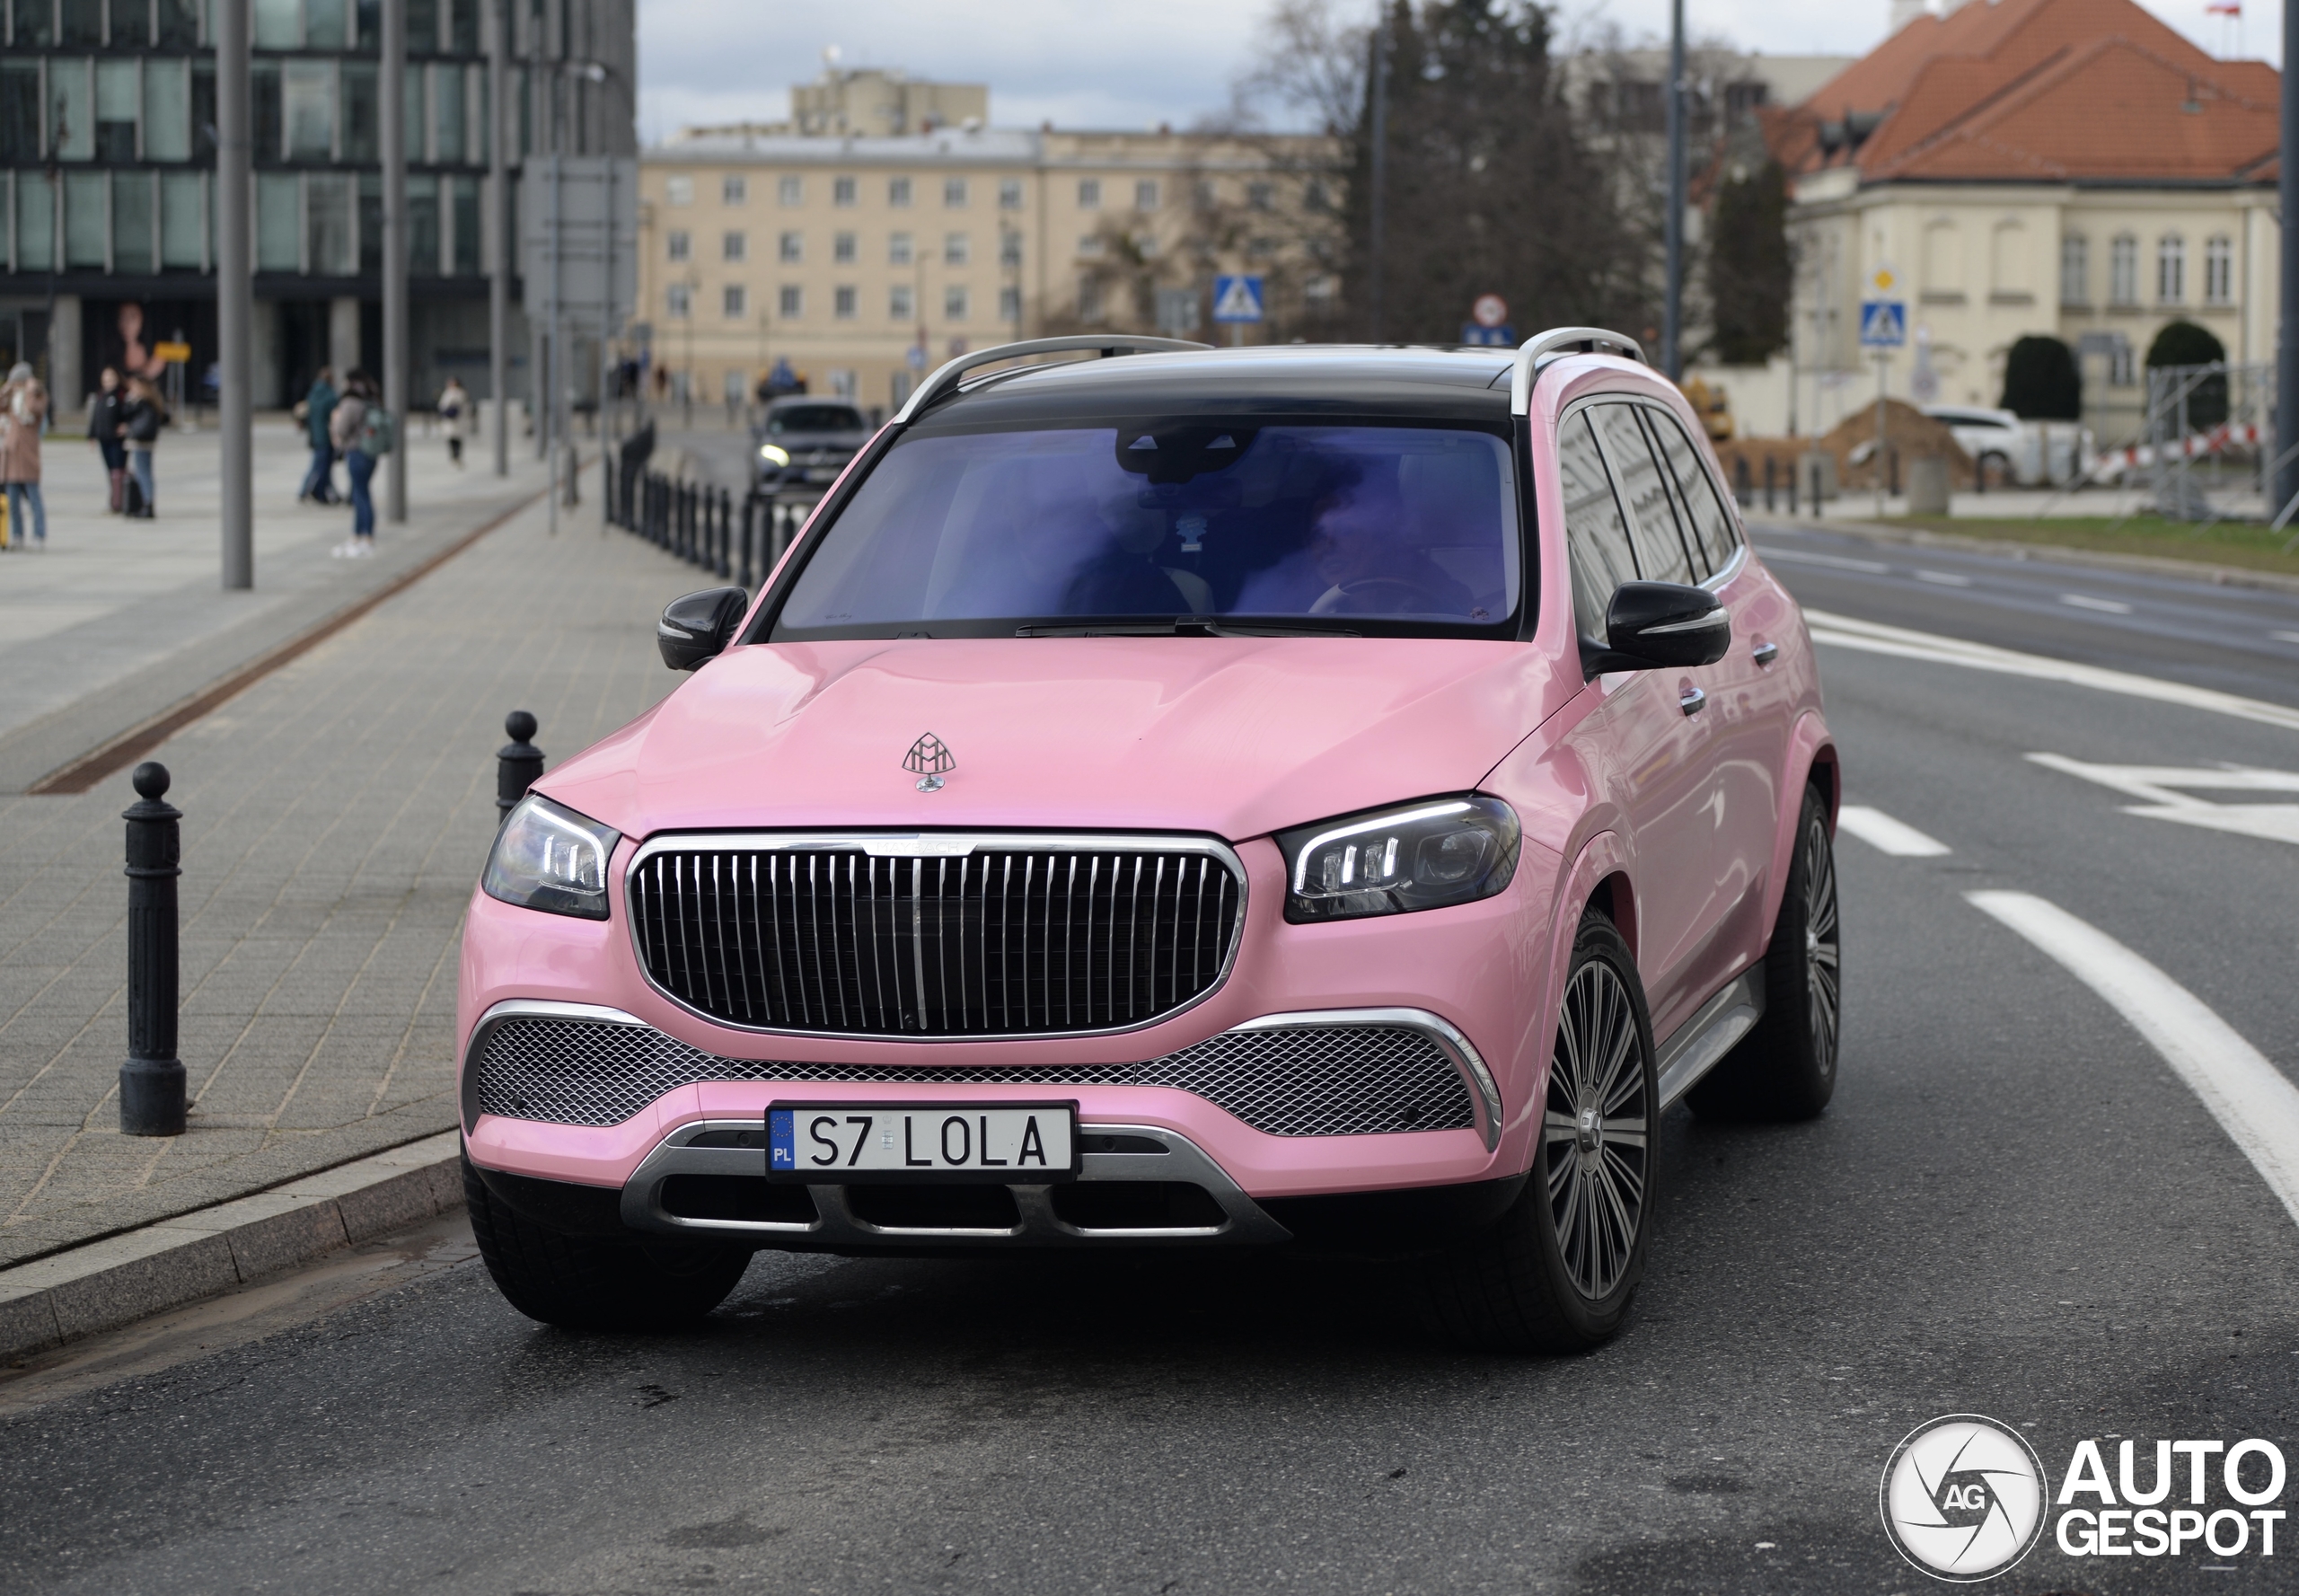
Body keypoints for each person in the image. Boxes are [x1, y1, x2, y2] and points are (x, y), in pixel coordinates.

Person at [0, 363, 48, 550]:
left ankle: (39, 535)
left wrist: (30, 390)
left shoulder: (37, 395)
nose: (17, 385)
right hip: (11, 455)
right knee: (12, 500)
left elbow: (33, 410)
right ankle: (17, 535)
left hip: (27, 454)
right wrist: (5, 389)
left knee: (34, 498)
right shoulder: (11, 399)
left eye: (19, 381)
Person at [331, 369, 375, 557]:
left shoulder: (350, 403)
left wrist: (335, 422)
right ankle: (359, 536)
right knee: (362, 492)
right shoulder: (371, 400)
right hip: (370, 452)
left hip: (356, 451)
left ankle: (364, 537)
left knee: (360, 494)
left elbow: (341, 429)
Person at [120, 375, 166, 518]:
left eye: (134, 387)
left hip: (141, 442)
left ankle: (147, 503)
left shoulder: (142, 403)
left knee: (143, 473)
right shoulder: (152, 402)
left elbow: (126, 413)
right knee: (145, 472)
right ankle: (147, 502)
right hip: (147, 442)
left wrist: (129, 400)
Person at [88, 367, 128, 513]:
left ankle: (119, 501)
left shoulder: (121, 396)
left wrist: (126, 426)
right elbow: (95, 417)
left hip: (117, 440)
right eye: (105, 379)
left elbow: (128, 413)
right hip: (103, 439)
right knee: (110, 471)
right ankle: (114, 499)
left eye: (110, 379)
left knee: (118, 471)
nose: (108, 382)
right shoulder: (101, 396)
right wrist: (91, 435)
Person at [298, 367, 339, 503]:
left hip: (315, 435)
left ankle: (320, 492)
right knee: (321, 467)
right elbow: (335, 418)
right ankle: (308, 491)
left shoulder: (312, 394)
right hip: (327, 436)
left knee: (319, 466)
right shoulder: (330, 396)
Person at [437, 376, 468, 467]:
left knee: (456, 439)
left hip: (456, 420)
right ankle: (454, 457)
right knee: (452, 439)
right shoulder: (448, 392)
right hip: (450, 420)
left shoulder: (458, 392)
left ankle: (456, 456)